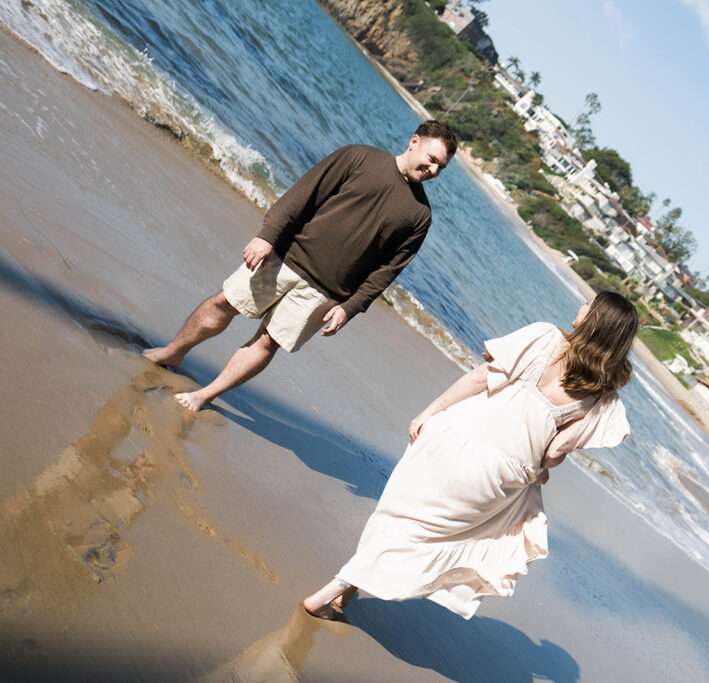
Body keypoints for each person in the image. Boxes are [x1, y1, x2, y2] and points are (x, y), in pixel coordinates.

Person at [302, 291, 639, 620]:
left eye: (588, 304)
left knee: (403, 517)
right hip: (502, 476)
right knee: (429, 533)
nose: (581, 304)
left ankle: (330, 591)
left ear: (595, 319)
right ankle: (349, 589)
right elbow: (553, 454)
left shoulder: (545, 337)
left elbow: (481, 378)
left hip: (459, 439)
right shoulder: (601, 395)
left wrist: (430, 410)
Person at [144, 120, 459, 410]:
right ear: (414, 141)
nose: (432, 169)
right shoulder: (359, 157)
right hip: (284, 258)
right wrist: (267, 236)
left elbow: (387, 271)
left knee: (267, 342)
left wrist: (349, 309)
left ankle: (203, 395)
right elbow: (304, 194)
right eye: (431, 159)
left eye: (440, 168)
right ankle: (172, 351)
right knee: (224, 301)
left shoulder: (420, 216)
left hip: (325, 292)